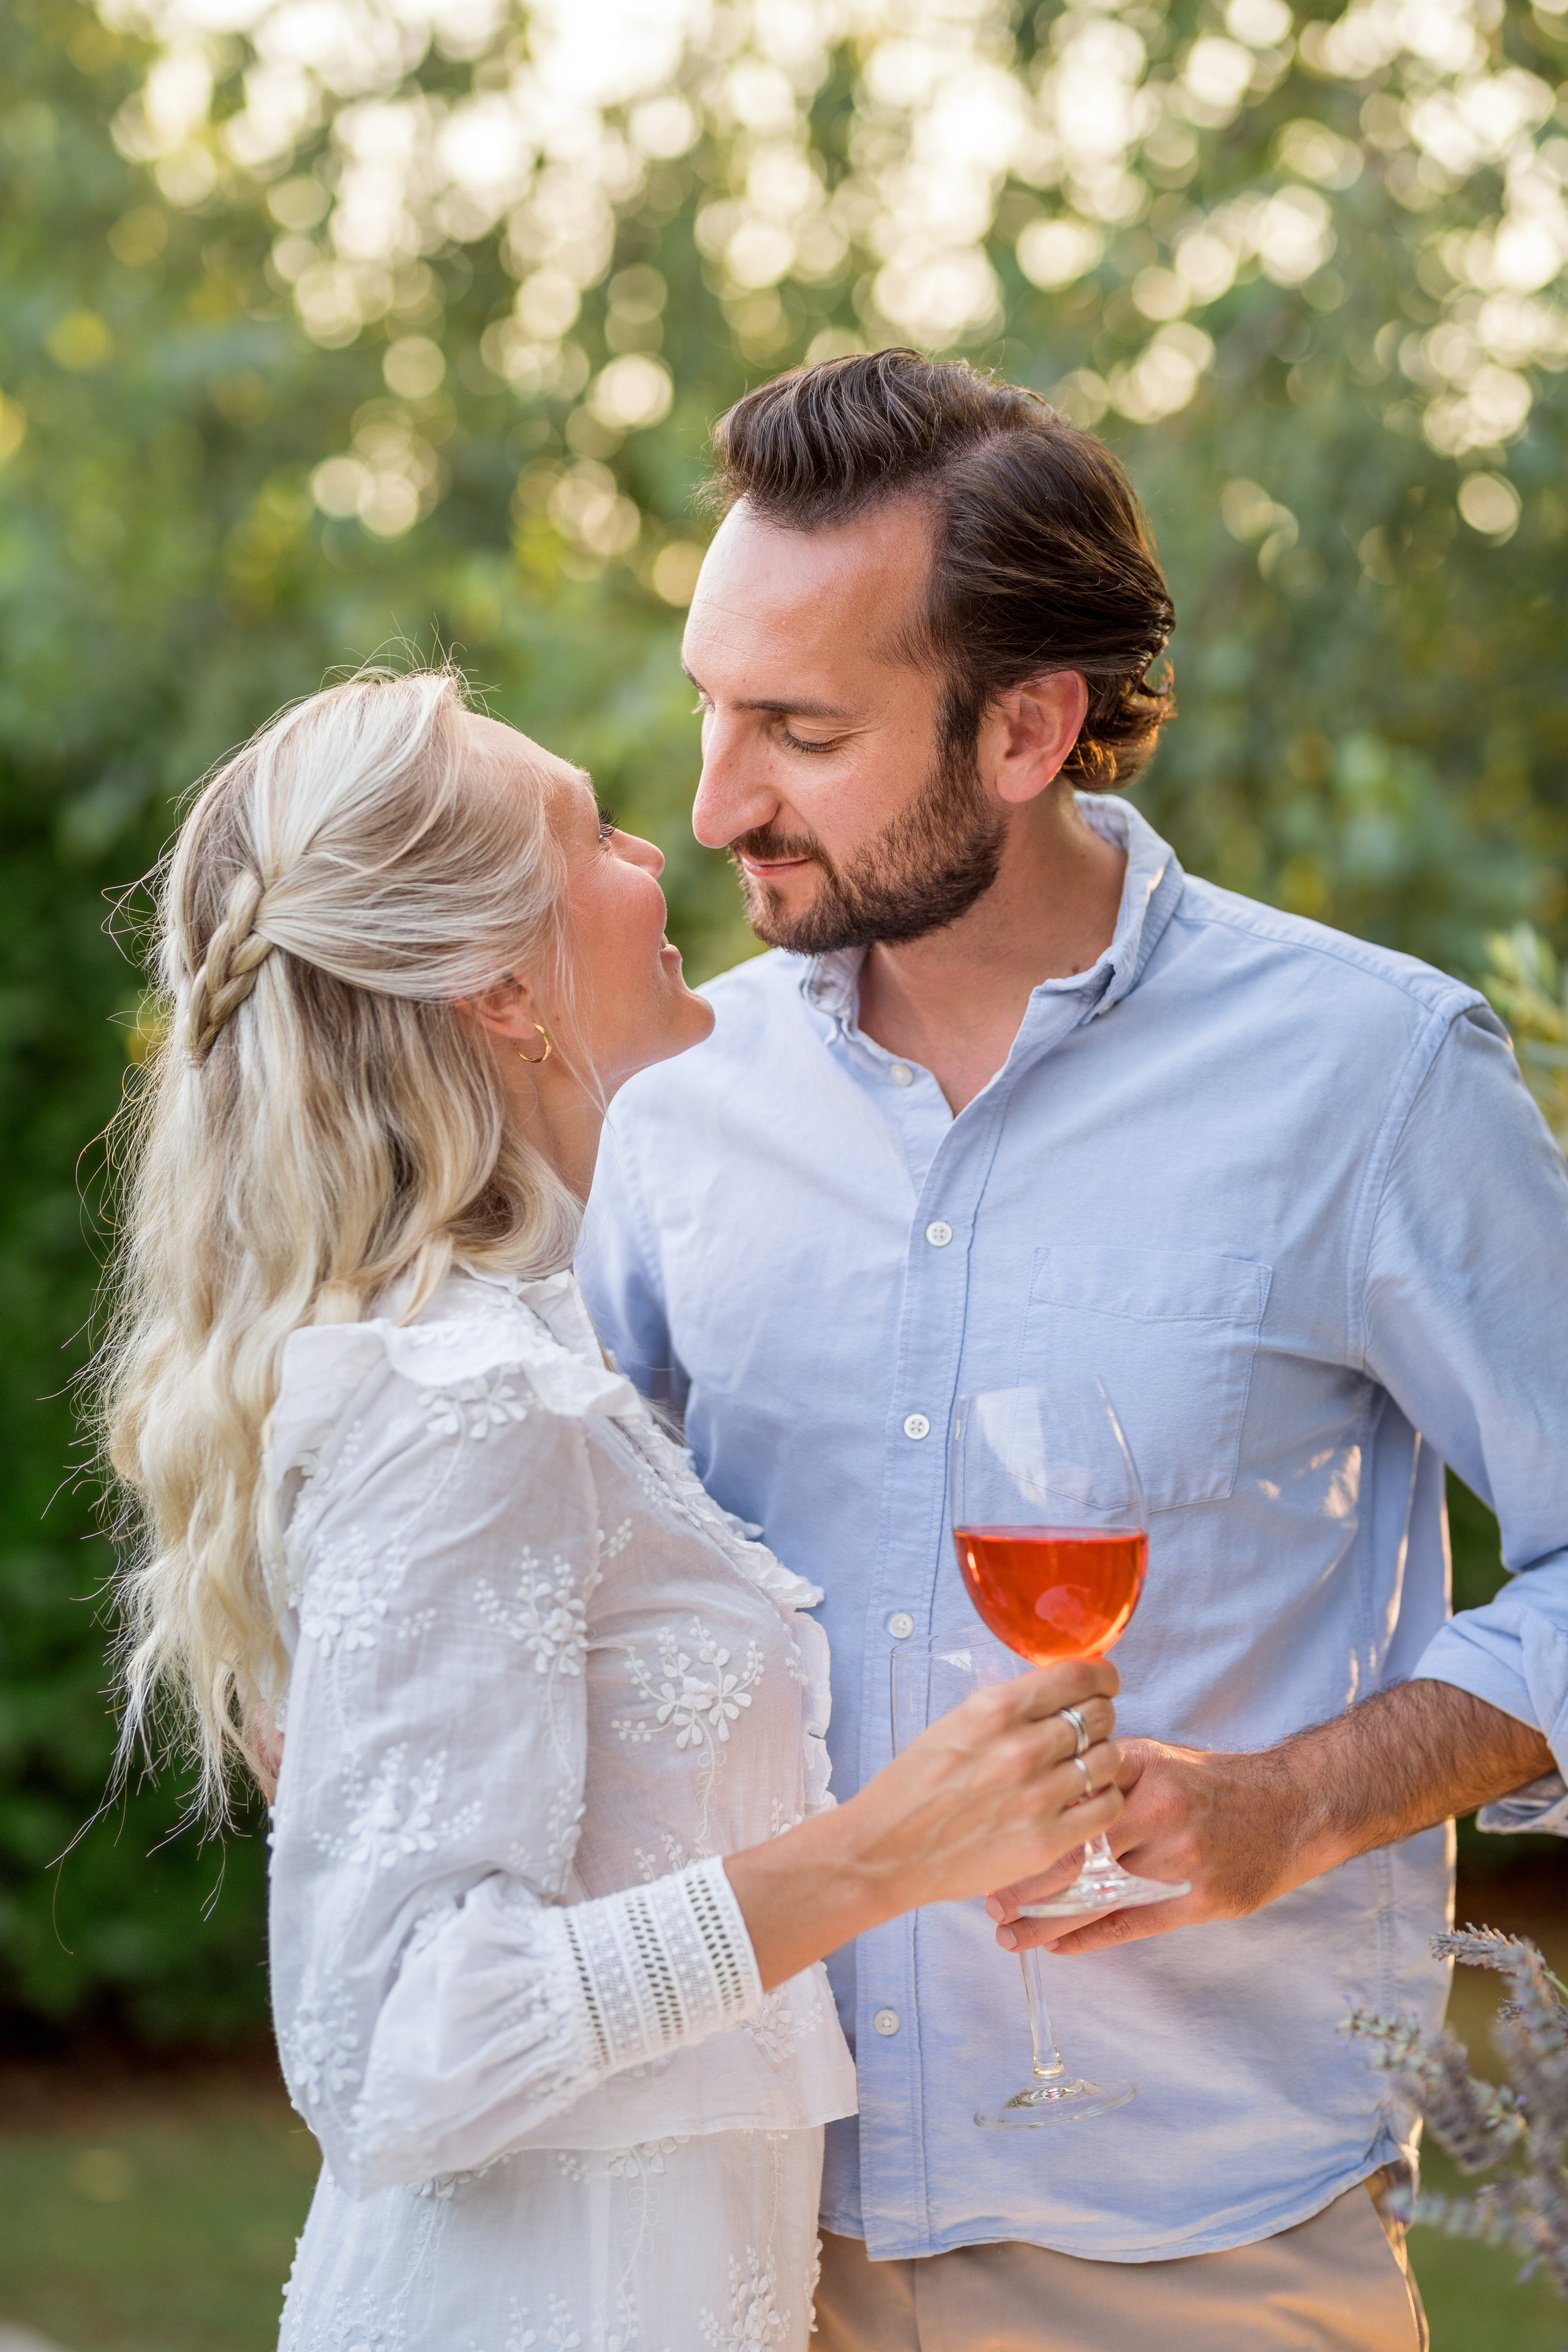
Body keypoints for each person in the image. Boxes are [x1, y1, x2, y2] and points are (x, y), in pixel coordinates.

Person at [578, 350, 1568, 2351]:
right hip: (732, 2227)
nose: (714, 803)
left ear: (1027, 727)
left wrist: (1298, 1798)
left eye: (798, 729)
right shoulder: (674, 1104)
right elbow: (568, 1584)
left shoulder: (1372, 1079)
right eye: (710, 707)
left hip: (1198, 2246)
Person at [95, 667, 1123, 2350]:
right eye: (594, 833)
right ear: (502, 986)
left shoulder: (526, 1345)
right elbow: (394, 2050)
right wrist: (887, 1853)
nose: (668, 850)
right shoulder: (463, 1403)